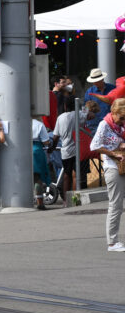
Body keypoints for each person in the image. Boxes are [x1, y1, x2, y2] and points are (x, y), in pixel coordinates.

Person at [90, 98, 125, 252]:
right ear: (113, 112)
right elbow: (94, 146)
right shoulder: (104, 124)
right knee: (116, 205)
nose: (123, 121)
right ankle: (112, 242)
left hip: (122, 164)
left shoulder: (121, 125)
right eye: (121, 117)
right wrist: (113, 153)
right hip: (112, 167)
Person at [52, 101, 100, 198]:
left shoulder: (60, 117)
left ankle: (65, 200)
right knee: (76, 175)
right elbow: (91, 115)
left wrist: (52, 147)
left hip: (66, 150)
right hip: (79, 149)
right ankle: (75, 198)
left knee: (66, 175)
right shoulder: (80, 115)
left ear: (65, 106)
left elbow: (55, 136)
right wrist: (86, 109)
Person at [84, 68, 115, 135]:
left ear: (102, 79)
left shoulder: (112, 88)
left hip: (111, 123)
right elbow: (85, 109)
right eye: (94, 81)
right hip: (95, 125)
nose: (95, 83)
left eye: (97, 81)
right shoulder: (89, 91)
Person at [31, 116, 52, 210]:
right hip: (36, 150)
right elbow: (46, 141)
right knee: (37, 177)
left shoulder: (19, 122)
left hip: (21, 149)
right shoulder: (39, 124)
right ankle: (40, 203)